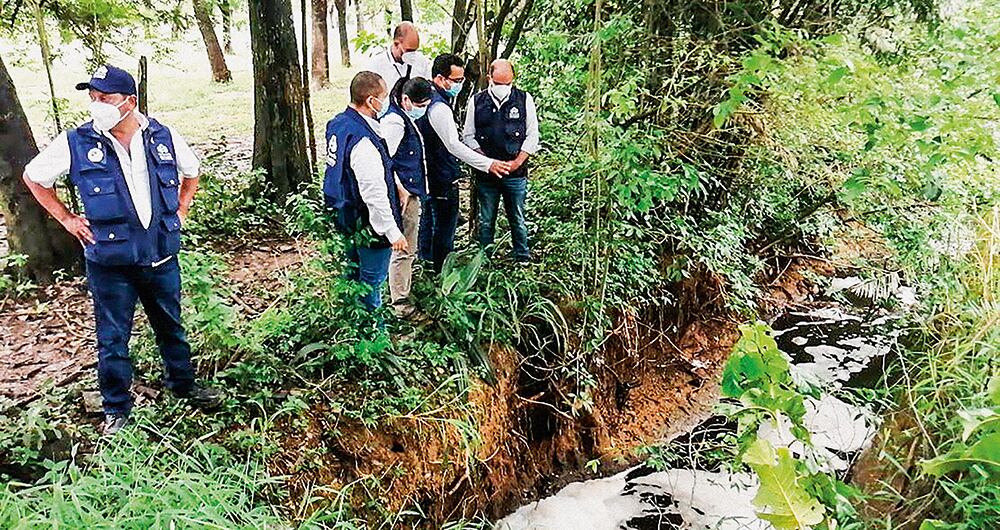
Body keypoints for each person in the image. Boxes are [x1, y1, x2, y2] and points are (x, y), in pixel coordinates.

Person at [21, 64, 222, 436]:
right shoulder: (76, 142)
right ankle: (117, 408)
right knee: (112, 338)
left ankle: (182, 384)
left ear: (130, 101)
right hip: (110, 262)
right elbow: (34, 177)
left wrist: (181, 208)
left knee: (171, 326)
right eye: (93, 98)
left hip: (160, 253)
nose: (97, 105)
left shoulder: (161, 136)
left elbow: (191, 171)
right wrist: (67, 219)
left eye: (105, 98)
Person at [416, 53, 511, 272]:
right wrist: (487, 164)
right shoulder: (438, 107)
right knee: (444, 225)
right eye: (457, 80)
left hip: (429, 172)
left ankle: (426, 265)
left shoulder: (427, 97)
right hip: (440, 174)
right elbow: (454, 145)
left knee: (430, 221)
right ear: (440, 79)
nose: (460, 85)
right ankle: (442, 272)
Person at [323, 71, 406, 314]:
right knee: (371, 285)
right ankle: (373, 337)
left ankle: (352, 327)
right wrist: (392, 232)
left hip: (344, 213)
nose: (387, 102)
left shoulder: (339, 123)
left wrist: (396, 182)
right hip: (368, 222)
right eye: (384, 96)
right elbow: (373, 191)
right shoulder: (363, 140)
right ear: (371, 101)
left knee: (352, 276)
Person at [463, 59, 540, 263]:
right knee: (486, 220)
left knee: (517, 218)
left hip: (515, 173)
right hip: (486, 173)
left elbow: (532, 136)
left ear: (513, 80)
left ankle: (522, 258)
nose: (502, 88)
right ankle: (484, 261)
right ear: (489, 79)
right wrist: (487, 162)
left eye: (507, 84)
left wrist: (517, 162)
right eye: (498, 83)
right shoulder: (477, 101)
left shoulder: (524, 99)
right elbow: (468, 136)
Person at [382, 77, 433, 318]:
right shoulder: (395, 122)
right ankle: (401, 305)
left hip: (412, 191)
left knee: (404, 249)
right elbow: (383, 160)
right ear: (405, 100)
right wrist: (400, 188)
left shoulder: (403, 119)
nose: (422, 109)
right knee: (404, 249)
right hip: (404, 196)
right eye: (419, 103)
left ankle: (400, 291)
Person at [363, 22, 432, 95]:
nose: (412, 54)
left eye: (414, 50)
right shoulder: (376, 66)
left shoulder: (421, 61)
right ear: (396, 44)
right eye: (408, 50)